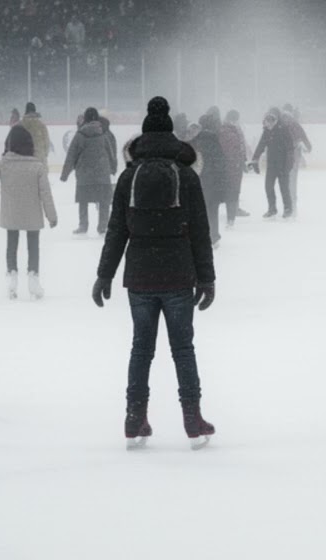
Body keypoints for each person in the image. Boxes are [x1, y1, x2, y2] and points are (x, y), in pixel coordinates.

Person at [92, 96, 217, 449]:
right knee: (183, 350)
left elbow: (117, 229)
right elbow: (200, 230)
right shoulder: (186, 176)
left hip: (140, 278)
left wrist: (104, 274)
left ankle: (134, 419)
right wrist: (207, 278)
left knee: (141, 349)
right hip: (178, 275)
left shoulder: (129, 177)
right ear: (173, 138)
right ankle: (192, 420)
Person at [0, 125, 57, 299]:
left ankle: (12, 277)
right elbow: (46, 193)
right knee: (33, 246)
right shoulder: (37, 166)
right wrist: (52, 216)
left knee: (11, 245)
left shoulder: (5, 164)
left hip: (11, 213)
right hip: (32, 215)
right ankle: (33, 278)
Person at [61, 107, 118, 236]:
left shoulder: (80, 135)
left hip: (84, 175)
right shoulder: (103, 134)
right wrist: (113, 168)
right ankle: (103, 226)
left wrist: (65, 174)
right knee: (104, 201)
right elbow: (111, 153)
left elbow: (71, 155)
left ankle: (83, 225)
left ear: (85, 119)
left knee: (83, 200)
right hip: (102, 174)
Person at [188, 108, 227, 245]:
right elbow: (221, 164)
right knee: (212, 210)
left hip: (200, 181)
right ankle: (214, 236)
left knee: (199, 211)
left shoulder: (195, 142)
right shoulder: (215, 141)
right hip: (214, 182)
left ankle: (200, 236)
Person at [250, 107, 294, 218]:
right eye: (267, 121)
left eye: (271, 121)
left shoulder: (283, 129)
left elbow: (290, 148)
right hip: (271, 164)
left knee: (284, 188)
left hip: (283, 164)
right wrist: (255, 159)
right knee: (268, 186)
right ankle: (272, 208)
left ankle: (288, 209)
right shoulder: (267, 131)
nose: (269, 124)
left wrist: (289, 163)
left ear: (276, 120)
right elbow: (261, 145)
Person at [218, 109, 248, 227]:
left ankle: (233, 212)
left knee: (233, 190)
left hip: (233, 165)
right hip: (232, 166)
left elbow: (241, 147)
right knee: (232, 190)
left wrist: (243, 161)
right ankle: (231, 215)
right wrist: (240, 161)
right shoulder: (229, 131)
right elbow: (237, 148)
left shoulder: (229, 130)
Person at [280, 104, 312, 210]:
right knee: (292, 182)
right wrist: (308, 147)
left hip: (284, 157)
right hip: (292, 156)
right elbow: (303, 137)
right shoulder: (294, 123)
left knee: (286, 182)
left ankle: (288, 206)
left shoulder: (280, 123)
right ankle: (292, 206)